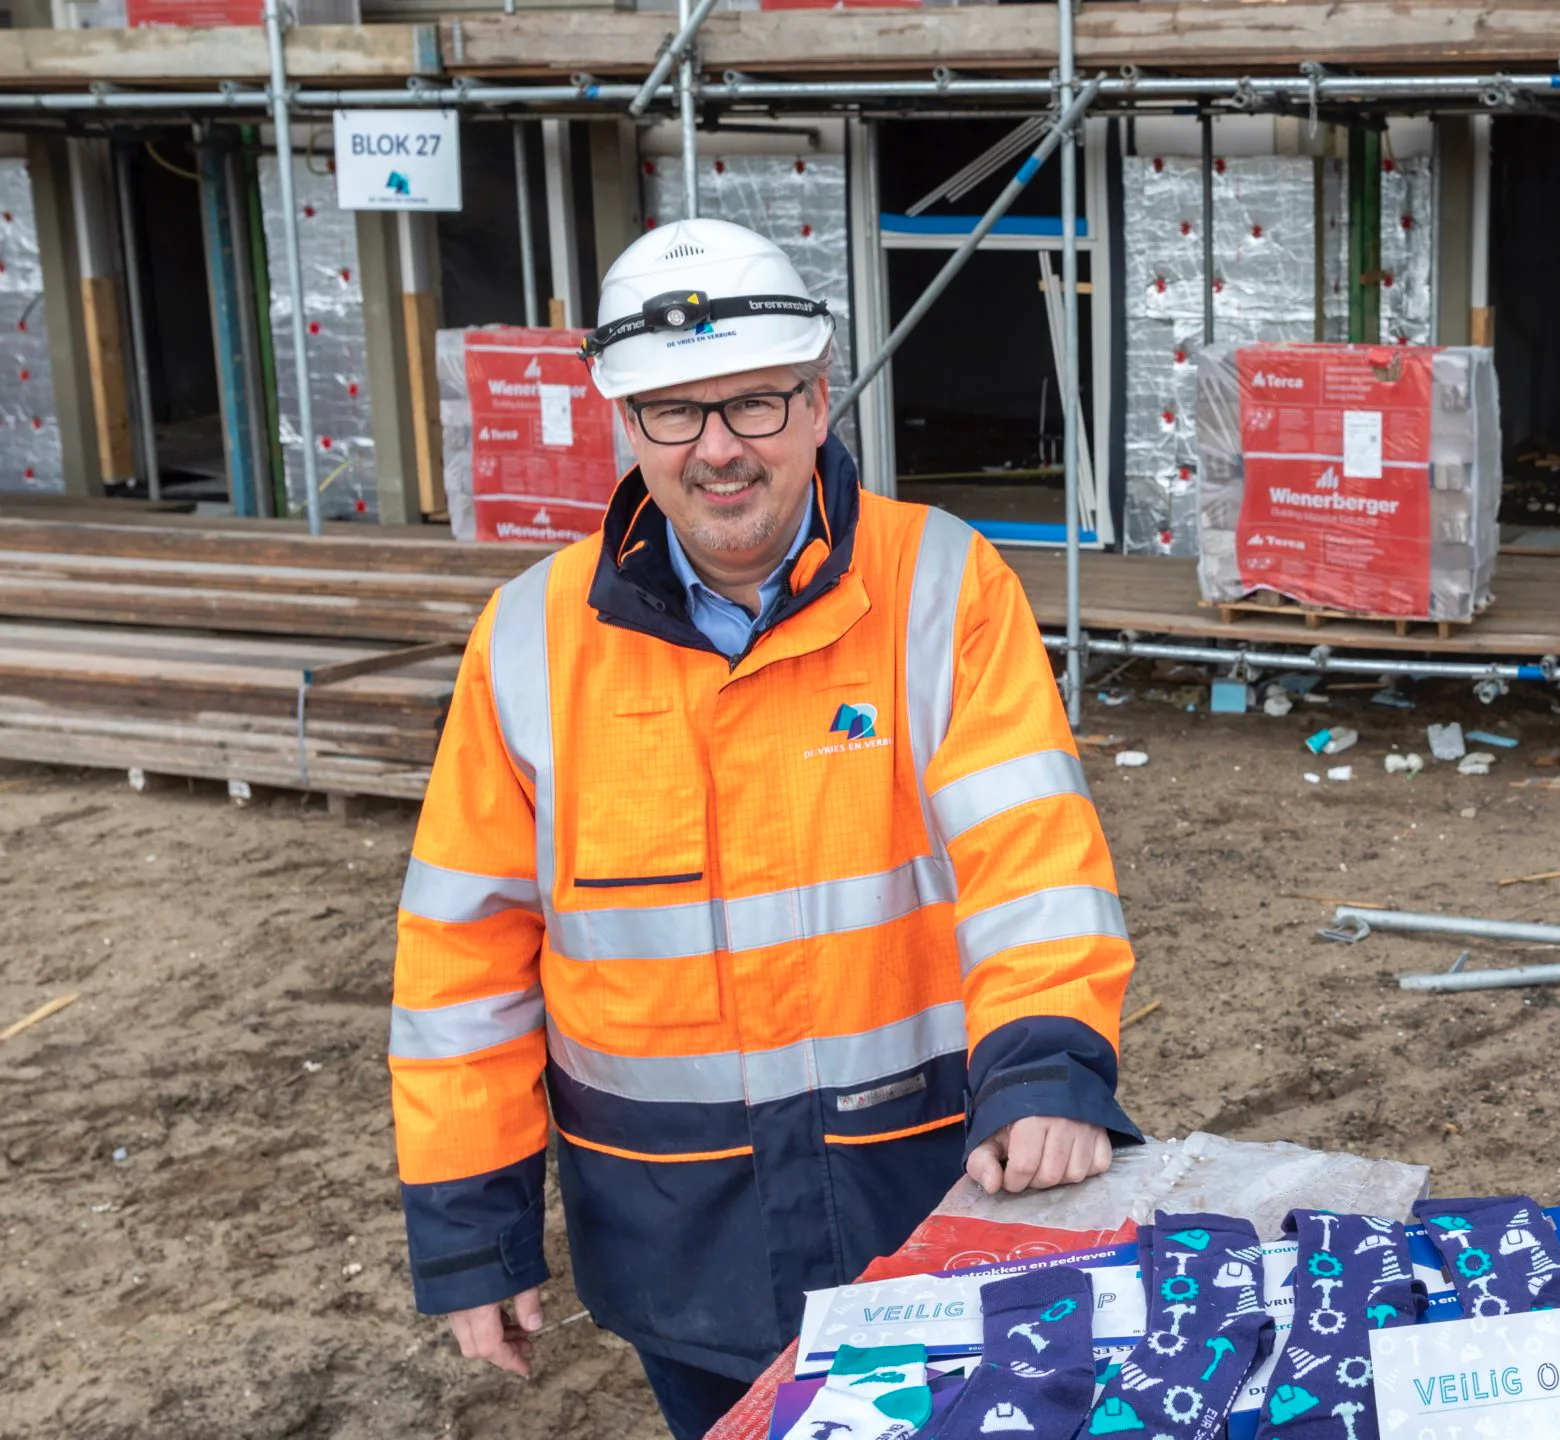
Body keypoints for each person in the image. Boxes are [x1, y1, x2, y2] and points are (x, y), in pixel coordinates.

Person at [387, 219, 1138, 1439]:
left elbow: (1032, 861)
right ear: (625, 424)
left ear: (818, 398)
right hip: (680, 1235)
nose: (720, 449)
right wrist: (474, 1229)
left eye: (757, 403)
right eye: (676, 413)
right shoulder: (529, 638)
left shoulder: (942, 583)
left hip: (931, 1190)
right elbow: (463, 957)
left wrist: (1048, 1073)